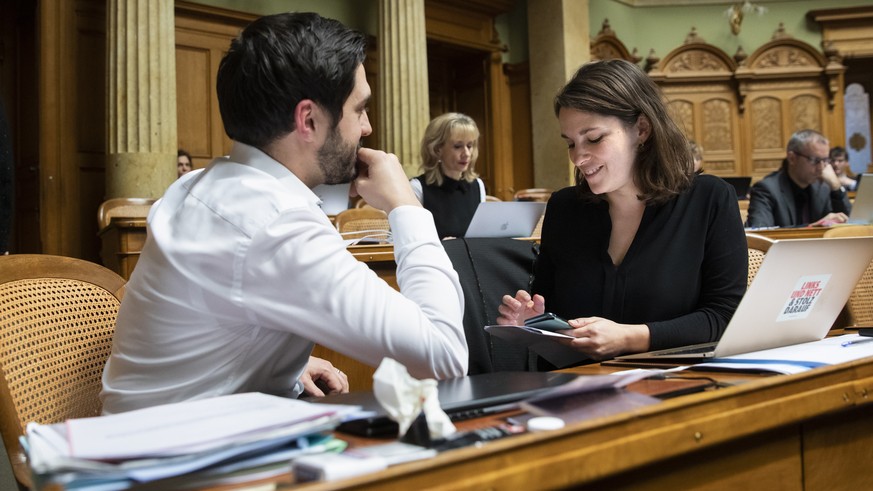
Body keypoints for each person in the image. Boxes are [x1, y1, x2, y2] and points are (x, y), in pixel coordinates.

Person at [101, 12, 468, 415]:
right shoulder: (274, 222)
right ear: (308, 119)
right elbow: (445, 357)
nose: (367, 127)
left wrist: (287, 366)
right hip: (172, 465)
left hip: (153, 435)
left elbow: (206, 328)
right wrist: (406, 205)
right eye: (359, 108)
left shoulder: (202, 186)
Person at [495, 59, 747, 364]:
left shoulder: (709, 199)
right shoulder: (564, 208)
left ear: (641, 129)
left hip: (678, 383)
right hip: (580, 390)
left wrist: (628, 337)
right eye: (570, 143)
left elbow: (724, 316)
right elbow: (558, 317)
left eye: (594, 138)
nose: (578, 157)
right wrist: (535, 323)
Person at [745, 130, 852, 228]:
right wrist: (812, 228)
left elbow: (851, 225)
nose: (821, 167)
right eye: (815, 160)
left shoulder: (823, 188)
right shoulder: (766, 189)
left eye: (825, 160)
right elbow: (761, 232)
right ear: (792, 158)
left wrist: (836, 187)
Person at [411, 112, 486, 238]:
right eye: (458, 146)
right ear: (437, 149)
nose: (466, 153)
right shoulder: (417, 188)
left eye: (470, 146)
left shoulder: (477, 185)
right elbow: (402, 238)